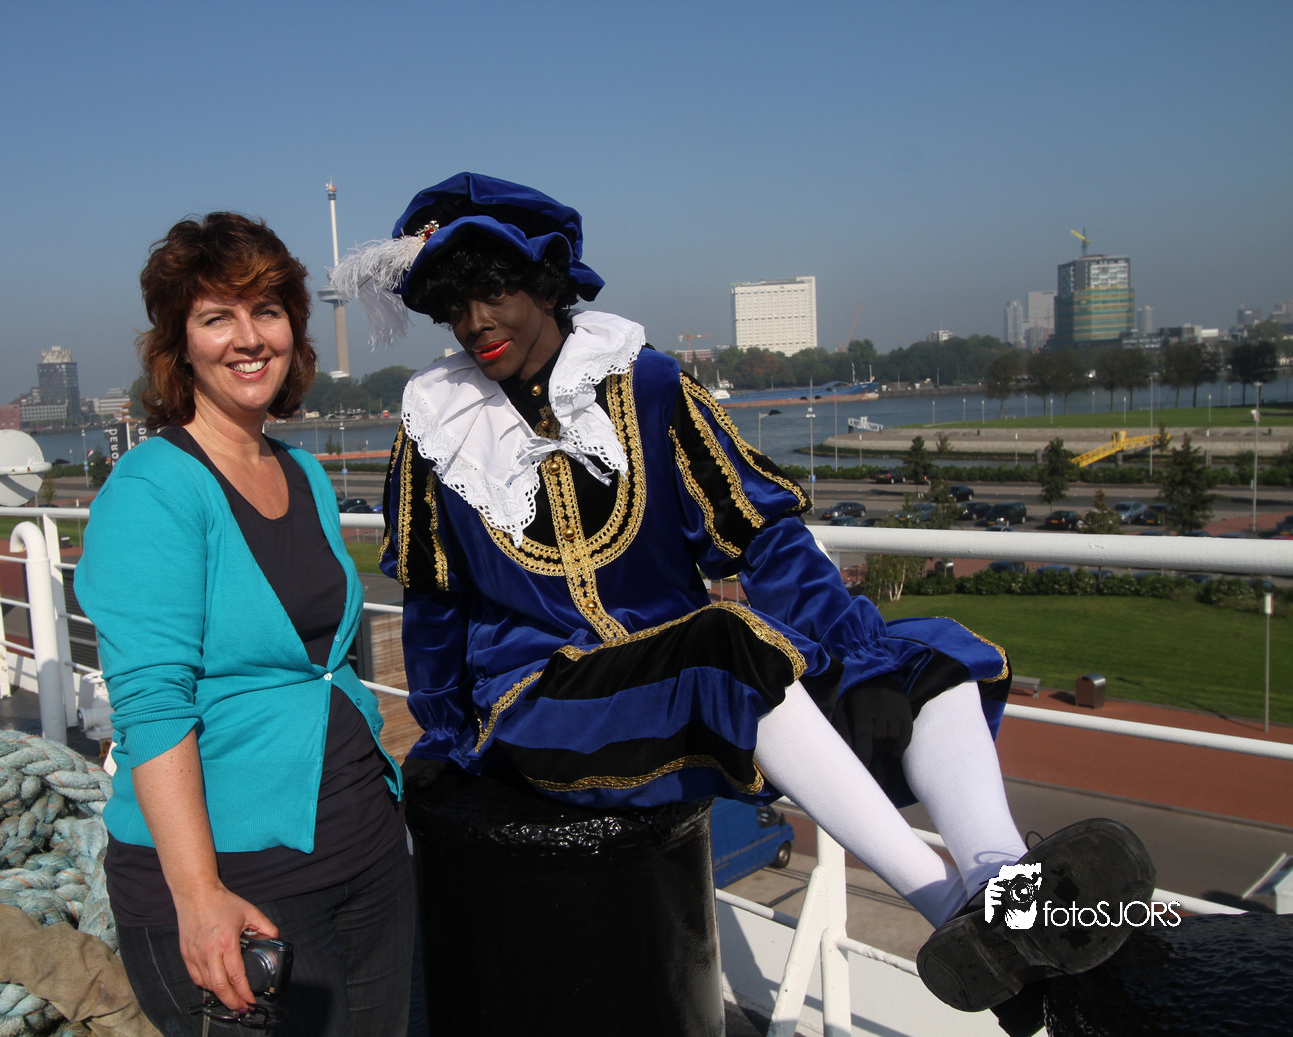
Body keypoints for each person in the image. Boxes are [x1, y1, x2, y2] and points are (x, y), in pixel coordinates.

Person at [332, 174, 1152, 1028]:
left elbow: (763, 536)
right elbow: (432, 600)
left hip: (680, 688)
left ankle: (1002, 885)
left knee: (932, 656)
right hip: (540, 699)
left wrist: (859, 652)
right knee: (722, 642)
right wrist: (447, 734)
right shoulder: (435, 430)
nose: (474, 323)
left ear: (543, 281)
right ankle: (945, 906)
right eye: (453, 307)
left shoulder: (649, 388)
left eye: (493, 291)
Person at [76, 213, 414, 1037]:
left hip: (365, 847)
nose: (248, 338)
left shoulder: (300, 471)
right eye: (215, 317)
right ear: (179, 343)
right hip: (240, 880)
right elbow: (153, 704)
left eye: (266, 310)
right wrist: (198, 897)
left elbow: (321, 659)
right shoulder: (152, 488)